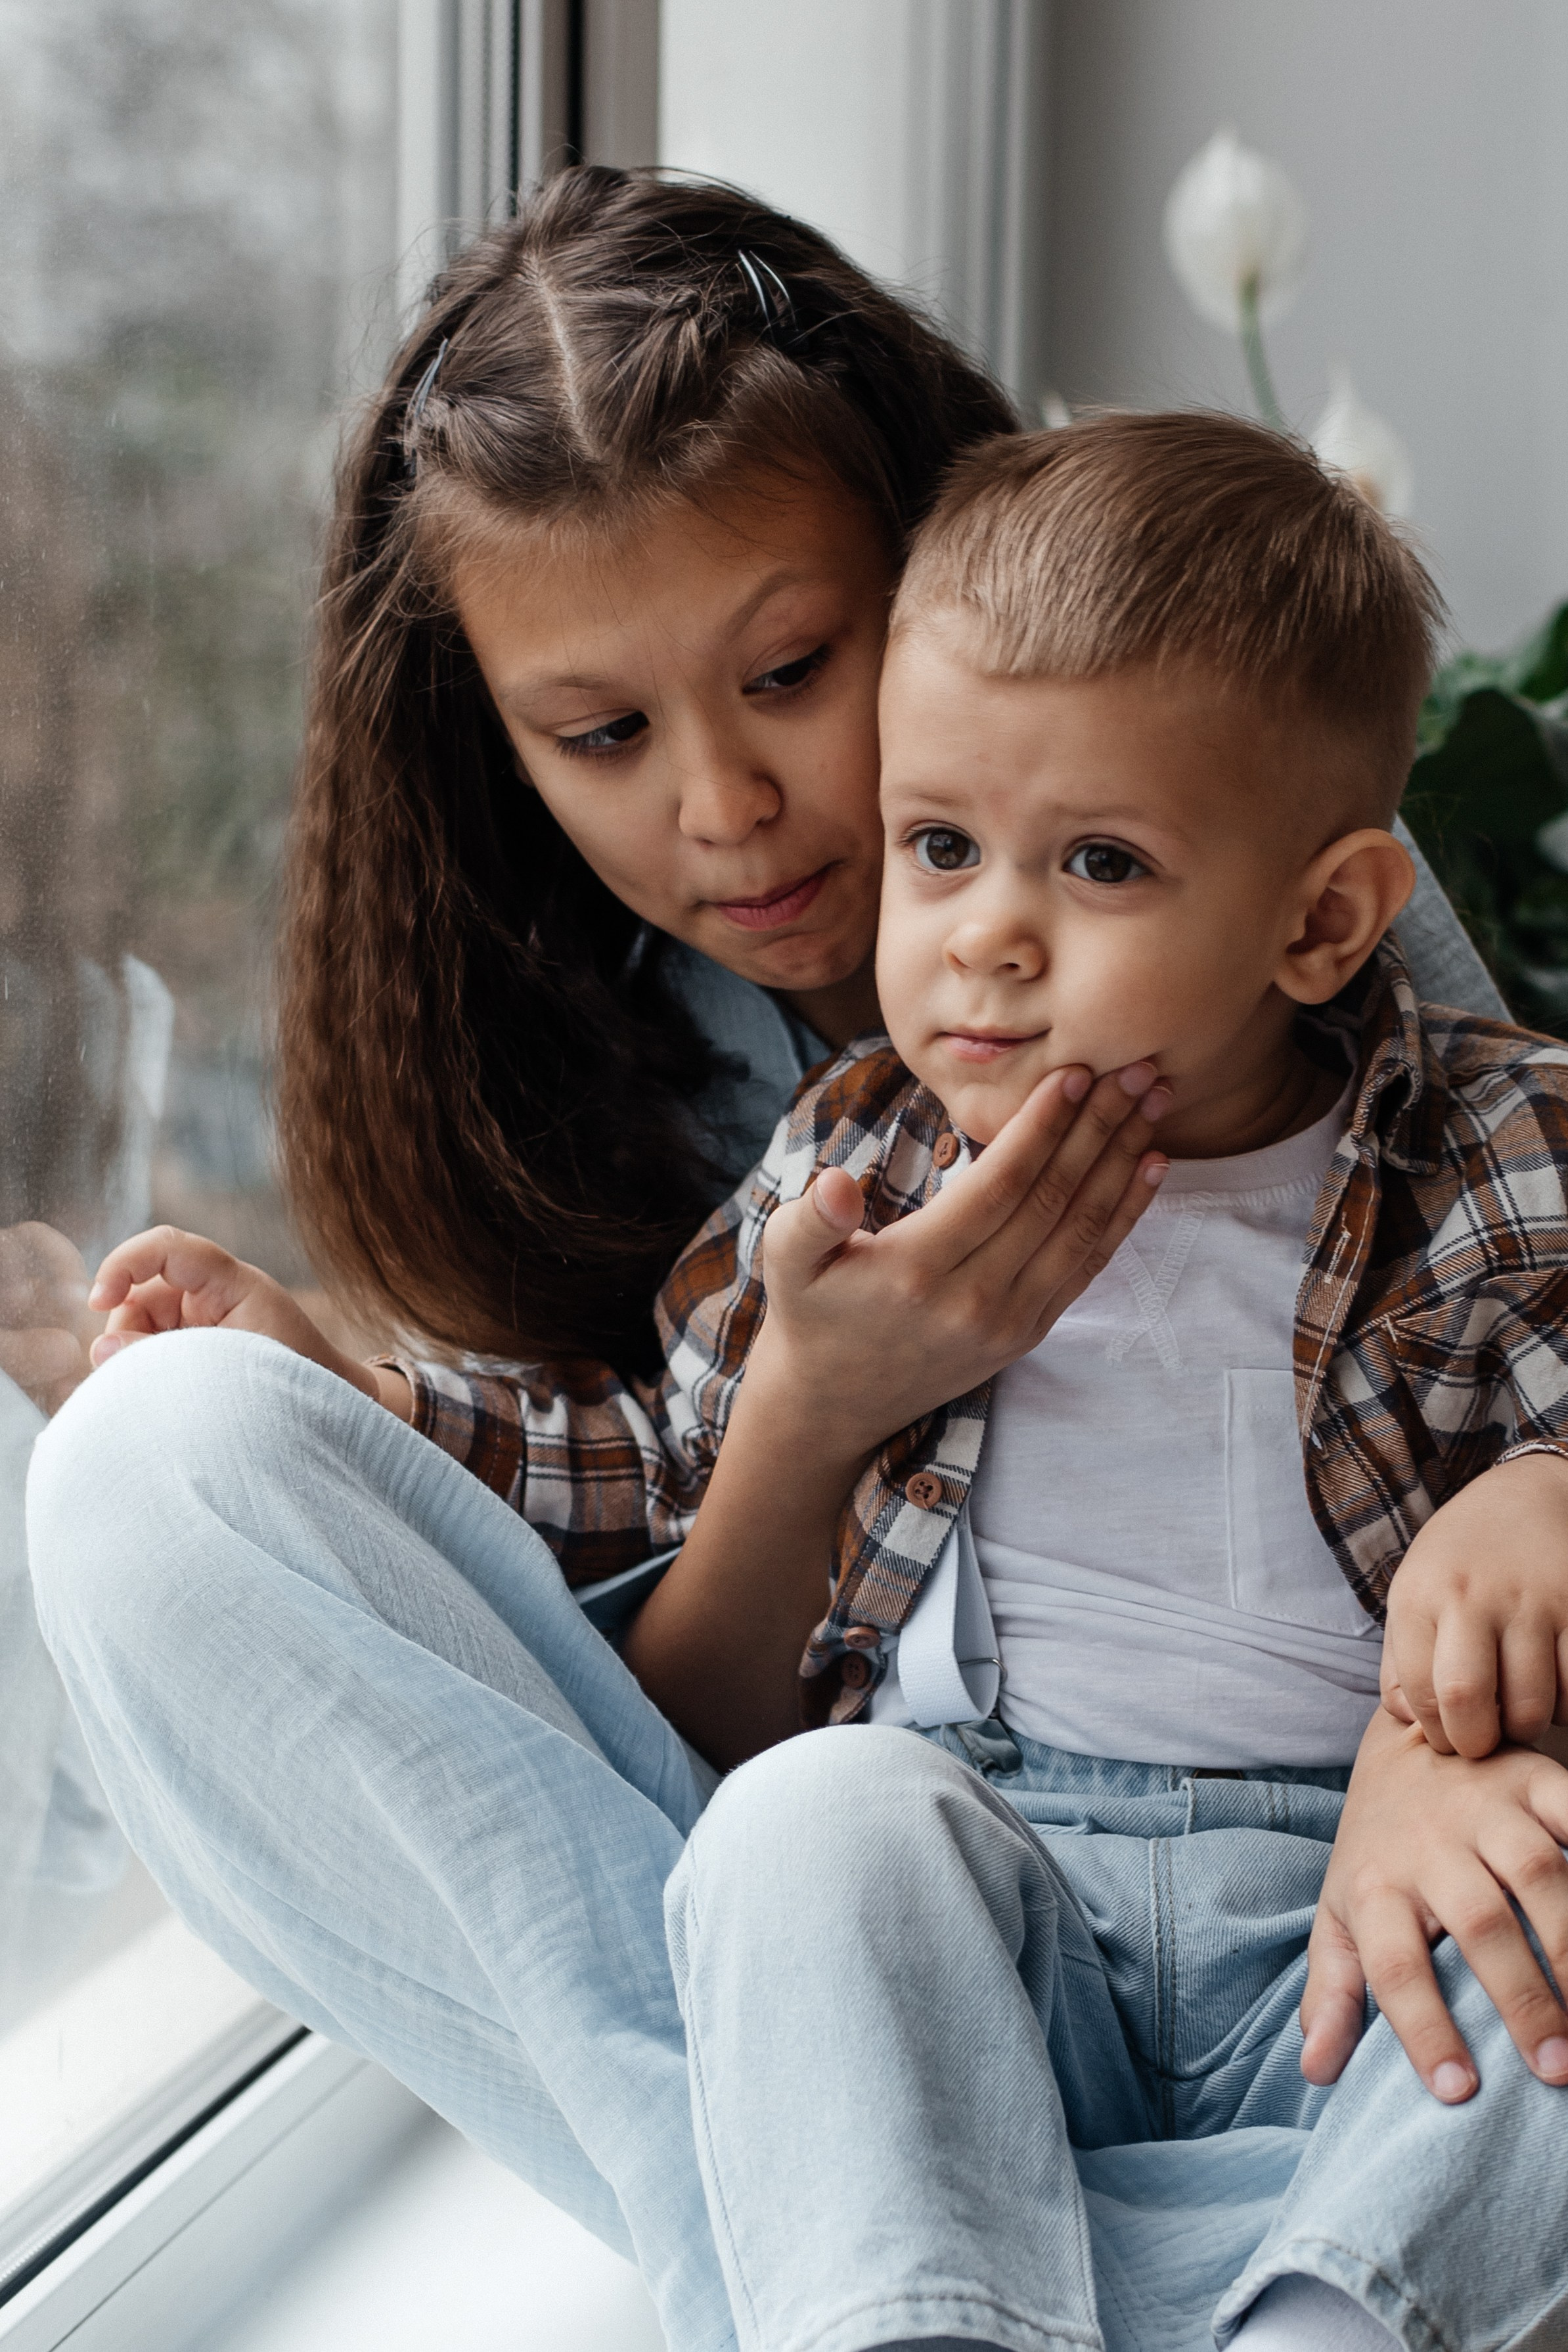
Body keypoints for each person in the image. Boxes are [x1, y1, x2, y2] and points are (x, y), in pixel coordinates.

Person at [25, 209, 1559, 2352]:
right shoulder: (714, 1107)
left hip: (1333, 1950)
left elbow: (1517, 1340)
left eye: (787, 673)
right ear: (497, 741)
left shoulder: (1278, 895)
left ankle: (1085, 2279)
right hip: (897, 1936)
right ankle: (891, 2267)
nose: (727, 804)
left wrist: (1453, 1718)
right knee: (149, 1464)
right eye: (597, 732)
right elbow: (680, 1730)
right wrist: (743, 1410)